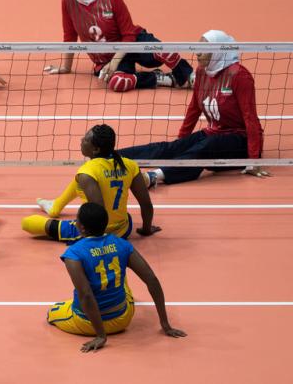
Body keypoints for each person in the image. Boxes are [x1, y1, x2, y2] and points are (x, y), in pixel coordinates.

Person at [119, 29, 270, 185]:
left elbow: (250, 118)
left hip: (240, 142)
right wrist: (182, 141)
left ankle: (153, 176)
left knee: (206, 148)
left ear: (218, 51)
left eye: (204, 50)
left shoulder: (239, 76)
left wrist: (254, 160)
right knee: (171, 148)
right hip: (214, 132)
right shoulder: (202, 72)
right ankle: (112, 157)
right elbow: (194, 109)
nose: (197, 53)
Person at [48, 202, 186, 352]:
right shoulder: (122, 244)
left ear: (81, 227)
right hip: (123, 318)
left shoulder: (73, 253)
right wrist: (165, 324)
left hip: (88, 323)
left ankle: (98, 330)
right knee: (119, 275)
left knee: (52, 313)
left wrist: (101, 335)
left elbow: (86, 295)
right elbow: (151, 279)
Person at [44, 0, 193, 92]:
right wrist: (66, 67)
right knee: (118, 83)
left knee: (165, 50)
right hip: (105, 59)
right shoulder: (68, 0)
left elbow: (129, 34)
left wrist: (115, 62)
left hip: (134, 44)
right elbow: (70, 36)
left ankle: (190, 77)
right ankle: (160, 78)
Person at [22, 124, 158, 242]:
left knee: (27, 223)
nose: (81, 140)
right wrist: (146, 229)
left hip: (97, 233)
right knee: (82, 181)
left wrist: (96, 242)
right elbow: (146, 204)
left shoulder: (87, 172)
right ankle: (55, 206)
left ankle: (55, 209)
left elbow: (98, 213)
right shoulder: (130, 165)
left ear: (96, 150)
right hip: (124, 229)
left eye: (86, 139)